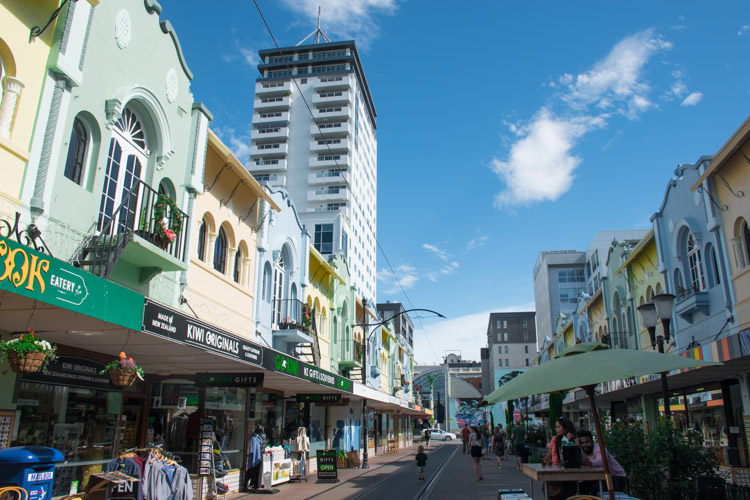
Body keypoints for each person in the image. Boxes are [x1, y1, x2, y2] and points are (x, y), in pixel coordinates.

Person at [577, 429, 628, 494]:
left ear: (592, 441)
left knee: (595, 489)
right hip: (600, 478)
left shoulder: (599, 448)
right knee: (581, 487)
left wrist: (590, 463)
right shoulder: (580, 451)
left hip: (617, 478)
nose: (585, 445)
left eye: (587, 442)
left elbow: (602, 461)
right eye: (582, 443)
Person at [541, 416, 578, 500]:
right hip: (555, 475)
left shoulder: (574, 439)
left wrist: (571, 440)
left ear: (566, 428)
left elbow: (578, 455)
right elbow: (549, 455)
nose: (556, 429)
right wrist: (547, 459)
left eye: (558, 427)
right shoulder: (554, 439)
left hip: (569, 475)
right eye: (556, 427)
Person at [245, 425, 264, 491]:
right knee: (251, 472)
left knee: (256, 473)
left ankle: (254, 485)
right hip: (254, 458)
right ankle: (249, 485)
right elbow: (252, 450)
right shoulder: (254, 438)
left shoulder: (259, 438)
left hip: (258, 457)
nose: (261, 433)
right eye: (260, 431)